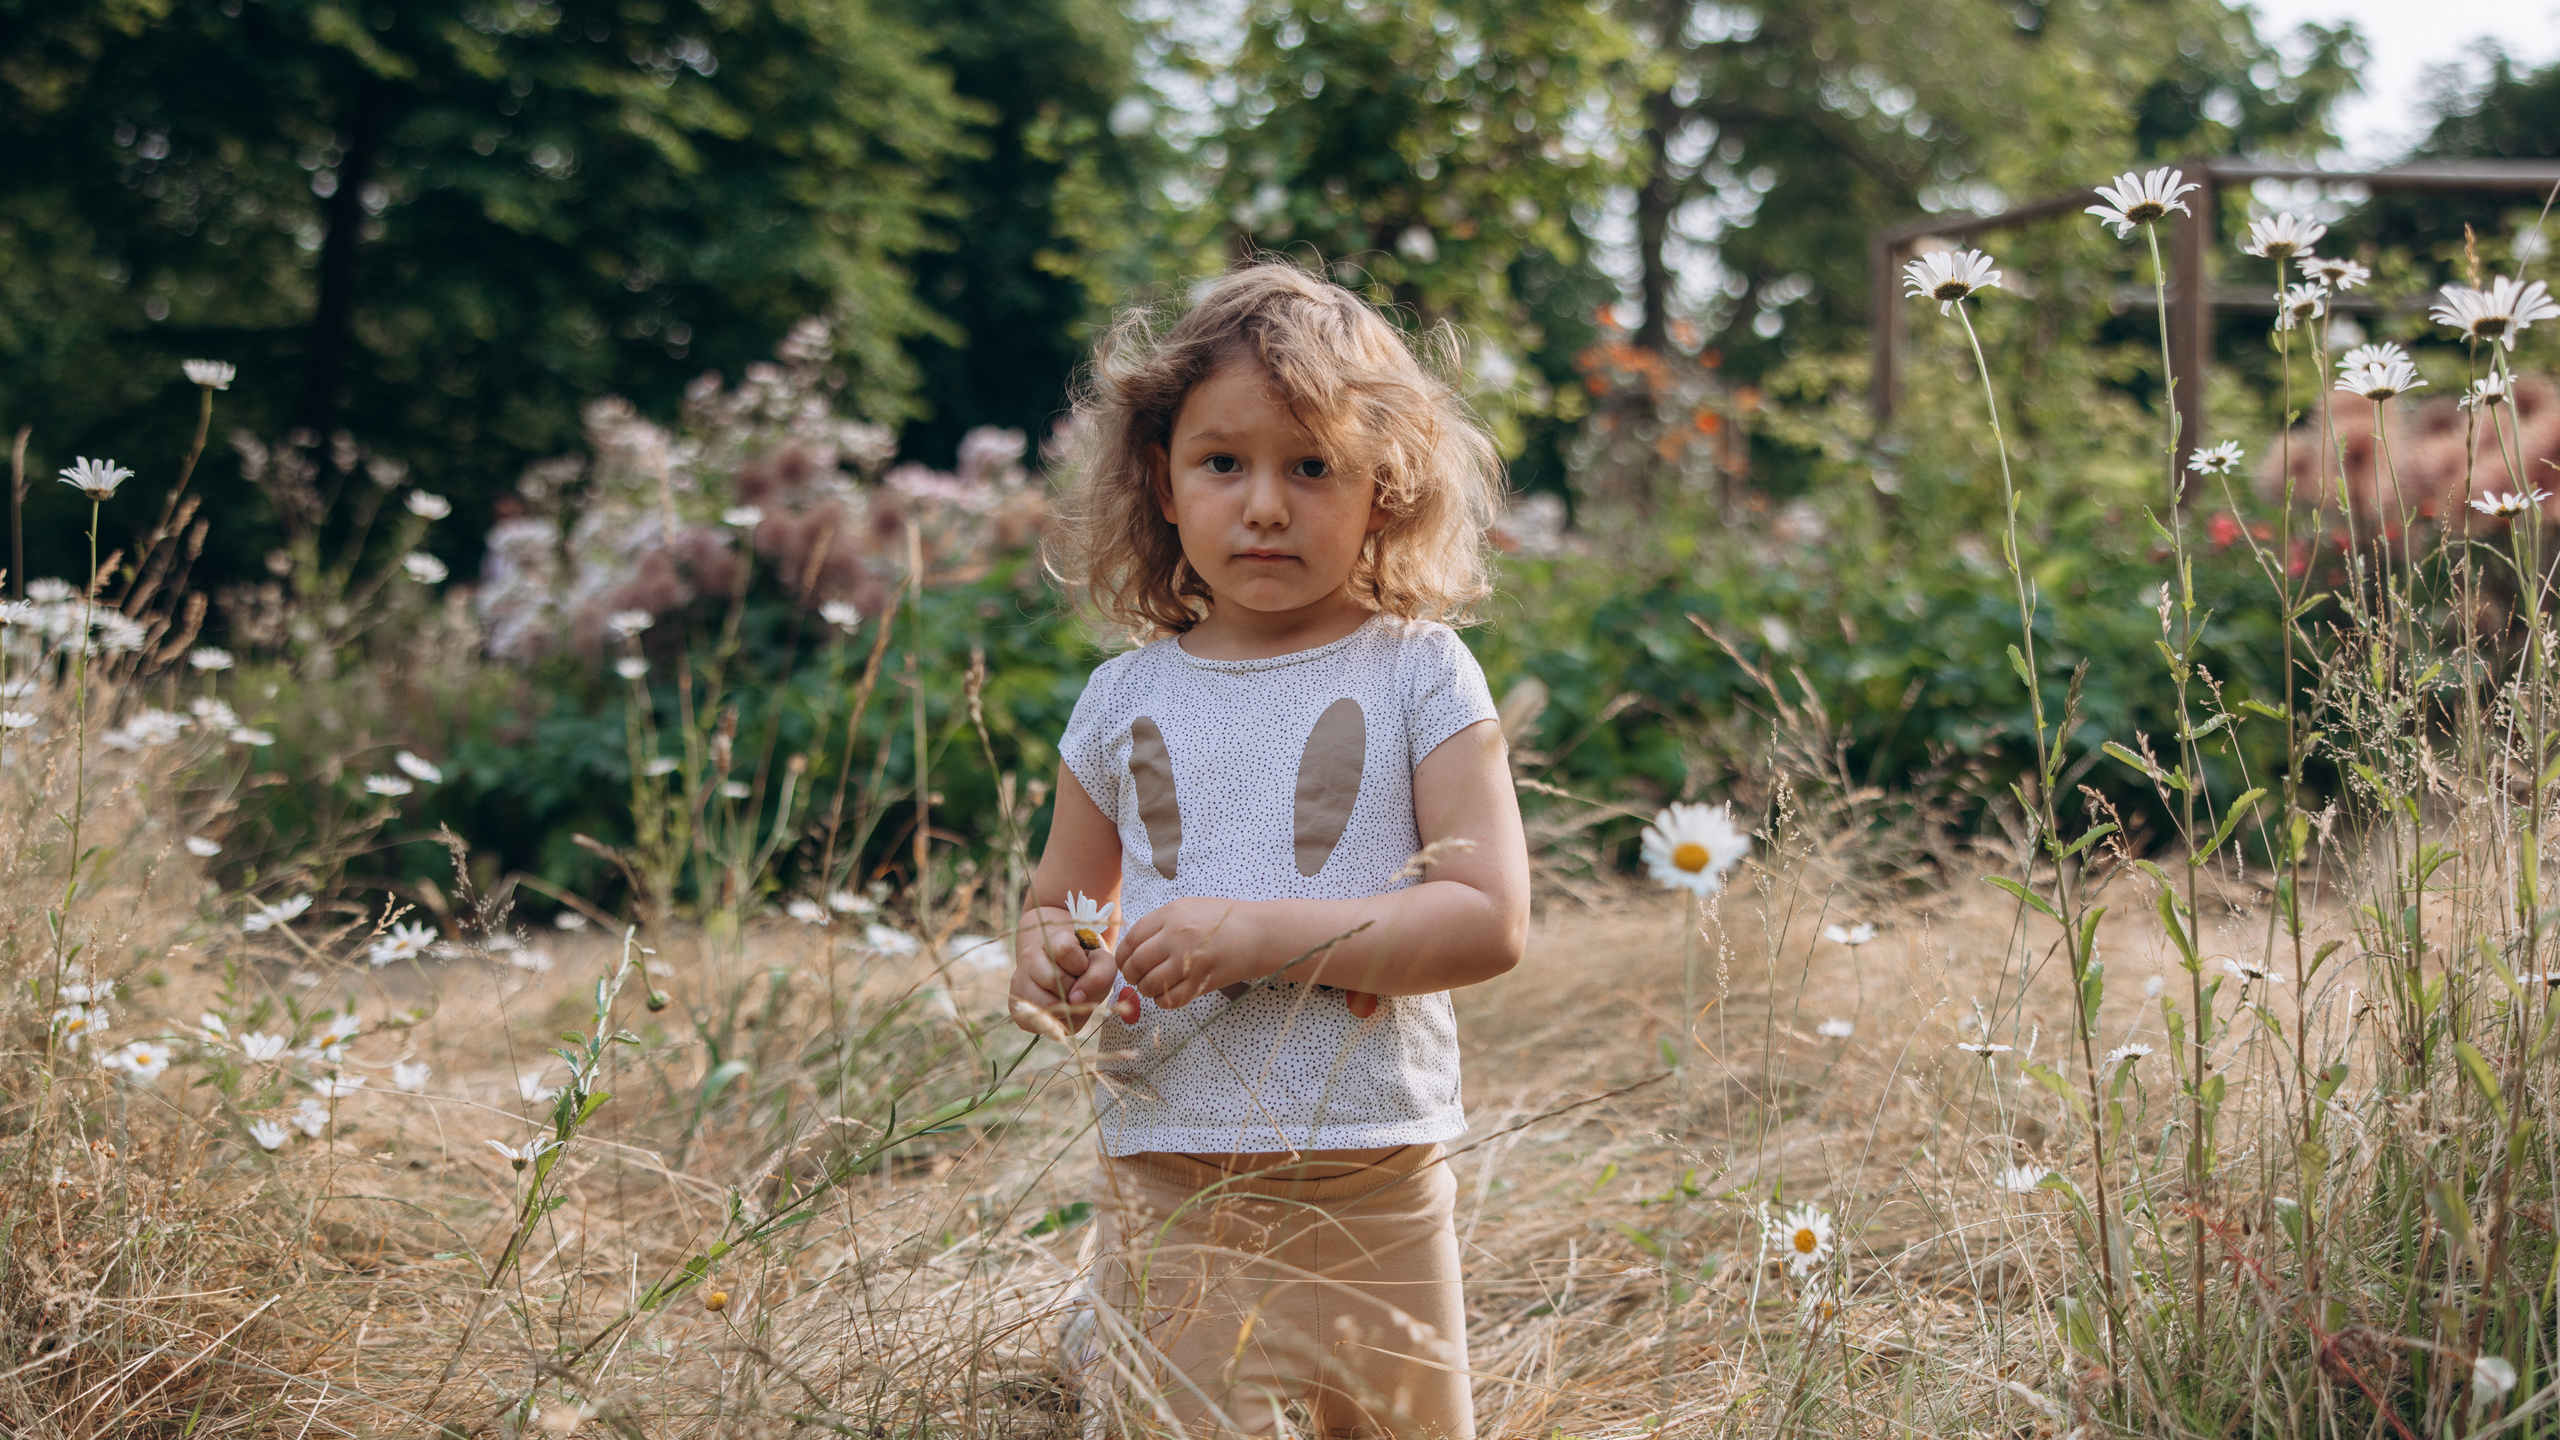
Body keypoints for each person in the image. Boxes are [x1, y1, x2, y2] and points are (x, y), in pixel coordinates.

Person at [1007, 260, 1530, 1439]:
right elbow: (1060, 906)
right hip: (1170, 1176)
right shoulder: (1118, 699)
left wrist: (1263, 936)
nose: (1264, 506)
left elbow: (1487, 915)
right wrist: (1052, 964)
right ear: (1163, 478)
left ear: (1385, 487)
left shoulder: (1416, 672)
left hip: (1372, 1175)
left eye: (1312, 467)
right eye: (1223, 463)